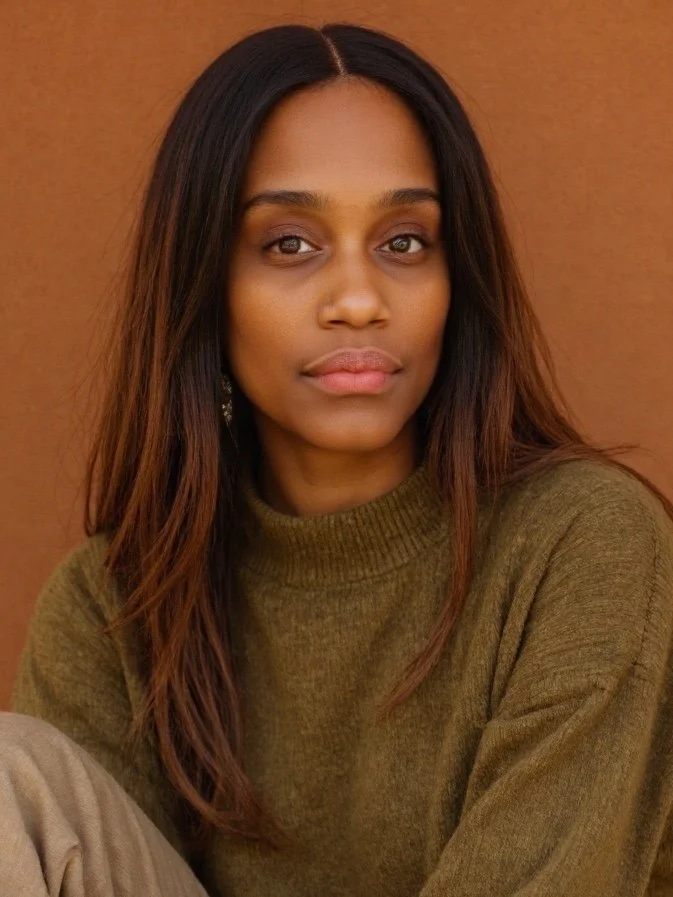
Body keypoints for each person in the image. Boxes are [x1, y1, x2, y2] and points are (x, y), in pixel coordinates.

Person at [3, 19, 673, 897]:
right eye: (289, 243)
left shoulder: (581, 547)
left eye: (404, 242)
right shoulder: (114, 605)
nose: (358, 299)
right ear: (205, 288)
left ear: (454, 280)